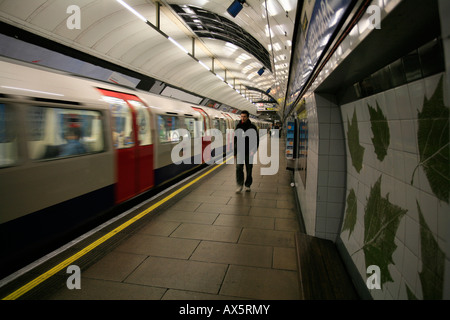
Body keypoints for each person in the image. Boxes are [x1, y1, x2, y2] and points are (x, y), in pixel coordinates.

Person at [234, 110, 259, 193]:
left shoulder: (252, 127)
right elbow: (235, 140)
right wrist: (234, 152)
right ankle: (239, 185)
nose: (243, 118)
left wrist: (254, 150)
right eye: (241, 116)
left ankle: (247, 185)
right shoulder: (238, 126)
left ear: (247, 117)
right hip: (240, 151)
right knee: (238, 169)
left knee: (249, 169)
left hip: (249, 152)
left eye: (244, 116)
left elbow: (256, 140)